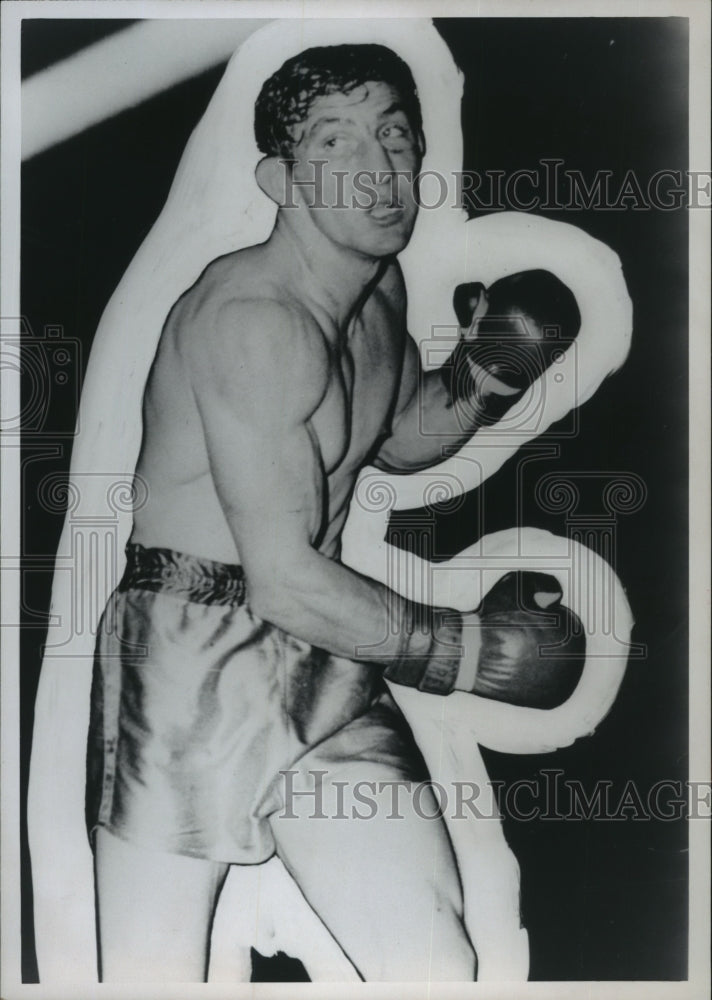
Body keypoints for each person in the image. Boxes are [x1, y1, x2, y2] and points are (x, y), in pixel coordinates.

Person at [84, 44, 584, 983]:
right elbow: (283, 572)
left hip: (324, 651)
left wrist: (486, 379)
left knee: (432, 960)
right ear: (281, 178)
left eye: (395, 136)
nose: (378, 169)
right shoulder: (254, 320)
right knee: (150, 978)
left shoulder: (377, 293)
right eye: (336, 142)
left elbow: (394, 438)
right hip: (191, 661)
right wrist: (470, 650)